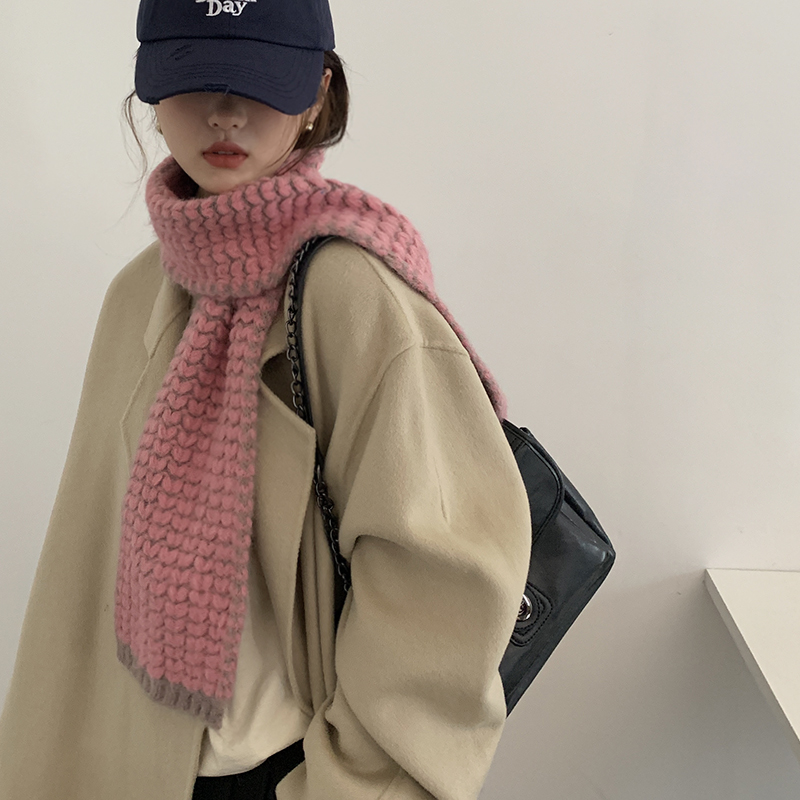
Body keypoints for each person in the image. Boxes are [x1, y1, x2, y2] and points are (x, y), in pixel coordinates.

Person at [0, 0, 532, 797]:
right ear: (150, 89)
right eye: (197, 78)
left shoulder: (351, 297)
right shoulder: (138, 295)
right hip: (132, 764)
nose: (226, 112)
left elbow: (443, 596)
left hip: (283, 774)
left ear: (317, 95)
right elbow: (82, 571)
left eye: (258, 80)